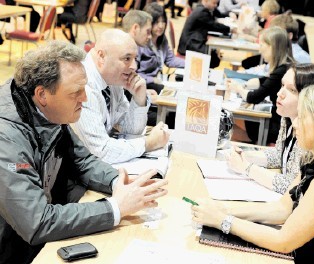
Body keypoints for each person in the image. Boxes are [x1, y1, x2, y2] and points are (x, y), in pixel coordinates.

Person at [0, 40, 168, 263]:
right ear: (42, 95)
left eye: (85, 88)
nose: (85, 98)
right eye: (75, 92)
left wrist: (119, 183)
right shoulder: (6, 139)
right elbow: (37, 222)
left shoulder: (44, 109)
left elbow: (82, 160)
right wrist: (115, 208)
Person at [192, 80, 314, 263]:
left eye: (302, 116)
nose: (294, 123)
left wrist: (222, 220)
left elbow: (284, 241)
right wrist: (223, 209)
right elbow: (282, 209)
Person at [228, 63, 314, 194]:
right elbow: (278, 155)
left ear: (311, 96)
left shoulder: (312, 132)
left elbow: (293, 186)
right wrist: (244, 156)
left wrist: (246, 167)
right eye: (282, 85)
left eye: (292, 90)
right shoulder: (288, 116)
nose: (280, 93)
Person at [71, 29, 170, 164]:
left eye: (135, 59)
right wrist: (148, 143)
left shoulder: (112, 79)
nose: (134, 66)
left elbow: (130, 130)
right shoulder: (83, 85)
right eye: (127, 59)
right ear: (101, 56)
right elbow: (101, 151)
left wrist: (139, 98)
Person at [227, 26, 295, 145]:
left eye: (262, 45)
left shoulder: (281, 71)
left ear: (272, 47)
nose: (260, 50)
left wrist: (238, 88)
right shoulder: (286, 67)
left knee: (231, 120)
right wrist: (248, 84)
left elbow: (253, 97)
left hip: (278, 125)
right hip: (281, 120)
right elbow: (266, 82)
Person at [243, 11, 311, 76]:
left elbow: (271, 77)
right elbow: (265, 70)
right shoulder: (281, 51)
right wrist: (244, 72)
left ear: (289, 36)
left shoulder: (296, 57)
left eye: (277, 34)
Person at [138, 2, 185, 95]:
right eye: (156, 22)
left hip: (158, 81)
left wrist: (191, 63)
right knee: (175, 93)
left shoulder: (162, 39)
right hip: (143, 85)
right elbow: (133, 75)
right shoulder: (140, 43)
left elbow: (170, 60)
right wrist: (152, 79)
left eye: (163, 21)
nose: (161, 26)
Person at [177, 0, 235, 68]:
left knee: (214, 55)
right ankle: (203, 75)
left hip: (192, 41)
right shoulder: (202, 12)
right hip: (189, 45)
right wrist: (230, 29)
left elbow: (217, 17)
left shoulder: (202, 8)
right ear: (205, 1)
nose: (216, 5)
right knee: (214, 59)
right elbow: (213, 25)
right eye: (214, 3)